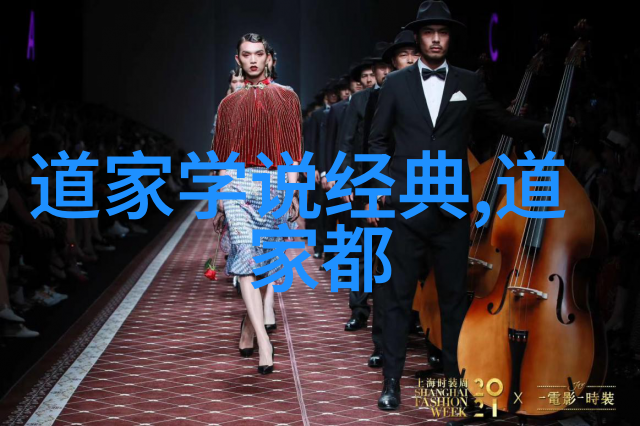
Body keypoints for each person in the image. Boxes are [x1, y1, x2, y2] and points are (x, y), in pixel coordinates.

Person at [368, 0, 549, 410]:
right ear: (418, 37)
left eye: (442, 32)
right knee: (397, 298)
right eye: (428, 32)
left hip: (450, 210)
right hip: (404, 207)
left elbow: (501, 120)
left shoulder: (468, 81)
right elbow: (377, 140)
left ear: (449, 38)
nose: (435, 39)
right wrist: (380, 188)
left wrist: (542, 128)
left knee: (453, 300)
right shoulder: (395, 84)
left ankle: (455, 384)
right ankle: (391, 383)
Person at [211, 33, 302, 375]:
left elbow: (293, 150)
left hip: (273, 183)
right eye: (246, 54)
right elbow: (223, 157)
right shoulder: (228, 105)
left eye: (258, 54)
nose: (253, 60)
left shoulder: (287, 97)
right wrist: (220, 199)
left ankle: (249, 327)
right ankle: (264, 341)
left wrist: (292, 192)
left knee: (263, 260)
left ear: (268, 58)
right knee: (245, 256)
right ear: (238, 59)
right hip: (236, 182)